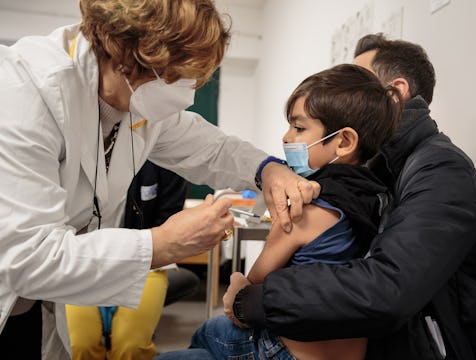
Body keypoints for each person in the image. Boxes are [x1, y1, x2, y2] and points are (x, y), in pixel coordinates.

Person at [0, 0, 318, 358]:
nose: (186, 94)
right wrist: (162, 244)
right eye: (176, 76)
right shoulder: (23, 92)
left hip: (31, 307)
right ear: (123, 53)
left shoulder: (134, 100)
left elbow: (210, 147)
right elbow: (28, 259)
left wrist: (267, 168)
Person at [218, 33, 476, 360]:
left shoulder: (441, 170)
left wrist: (255, 300)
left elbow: (388, 291)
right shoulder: (375, 169)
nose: (346, 94)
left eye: (360, 82)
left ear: (396, 92)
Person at [157, 63, 402, 360]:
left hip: (284, 351)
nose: (286, 138)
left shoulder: (303, 209)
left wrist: (235, 282)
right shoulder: (379, 198)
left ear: (344, 141)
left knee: (206, 333)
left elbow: (250, 290)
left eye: (299, 128)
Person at [66, 160, 190, 360]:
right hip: (82, 259)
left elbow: (170, 225)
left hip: (147, 262)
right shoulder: (74, 155)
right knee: (79, 344)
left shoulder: (164, 160)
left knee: (130, 347)